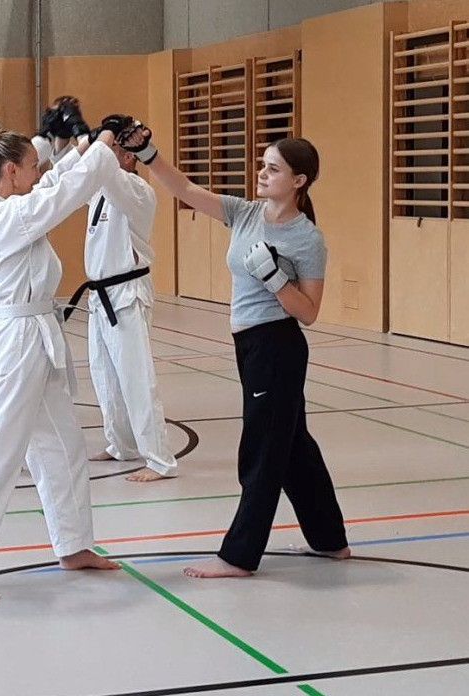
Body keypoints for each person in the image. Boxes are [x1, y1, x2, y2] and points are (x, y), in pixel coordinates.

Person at [119, 123, 349, 577]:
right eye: (262, 165)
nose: (261, 174)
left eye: (273, 169)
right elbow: (184, 187)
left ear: (298, 181)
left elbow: (309, 311)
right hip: (250, 345)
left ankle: (239, 556)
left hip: (276, 347)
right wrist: (148, 152)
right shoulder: (245, 213)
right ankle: (330, 540)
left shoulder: (307, 238)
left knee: (263, 451)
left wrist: (275, 278)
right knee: (294, 446)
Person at [0, 116, 121, 603]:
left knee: (63, 447)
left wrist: (83, 145)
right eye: (33, 168)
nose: (40, 174)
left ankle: (74, 544)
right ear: (12, 173)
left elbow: (59, 181)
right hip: (13, 339)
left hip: (37, 336)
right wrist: (102, 147)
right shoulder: (2, 216)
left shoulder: (17, 203)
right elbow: (61, 195)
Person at [65, 114, 177, 483]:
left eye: (113, 149)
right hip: (100, 296)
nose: (105, 154)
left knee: (136, 378)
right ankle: (122, 445)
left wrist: (110, 140)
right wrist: (81, 134)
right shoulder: (101, 190)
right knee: (105, 377)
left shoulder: (137, 192)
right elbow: (76, 176)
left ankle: (159, 459)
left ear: (128, 156)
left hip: (127, 295)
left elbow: (104, 172)